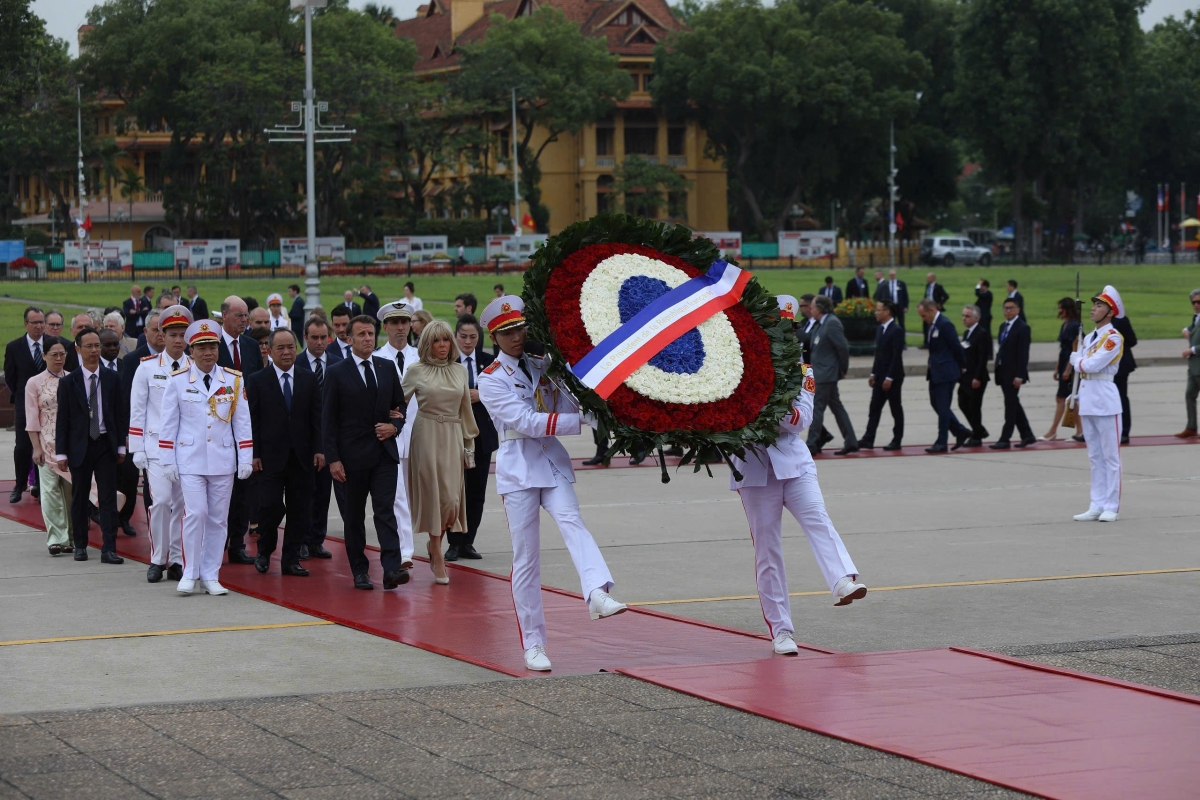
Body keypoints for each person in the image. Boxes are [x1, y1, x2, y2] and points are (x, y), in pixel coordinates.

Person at [477, 295, 627, 672]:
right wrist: (582, 422)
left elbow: (566, 401)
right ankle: (534, 644)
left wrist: (590, 406)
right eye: (506, 332)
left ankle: (596, 592)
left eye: (519, 329)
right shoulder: (491, 378)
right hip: (519, 468)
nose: (515, 337)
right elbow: (525, 422)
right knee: (526, 560)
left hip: (551, 462)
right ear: (495, 337)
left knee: (573, 522)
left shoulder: (543, 364)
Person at [731, 336, 867, 656]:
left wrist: (759, 404)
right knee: (768, 551)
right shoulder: (737, 370)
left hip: (795, 465)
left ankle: (842, 580)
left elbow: (799, 420)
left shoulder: (802, 371)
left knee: (818, 519)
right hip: (753, 471)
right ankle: (781, 630)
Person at [158, 320, 254, 594]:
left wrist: (245, 456)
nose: (208, 352)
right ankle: (190, 571)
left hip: (222, 459)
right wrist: (167, 459)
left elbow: (242, 422)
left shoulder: (234, 379)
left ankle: (211, 574)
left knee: (217, 519)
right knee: (196, 513)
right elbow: (169, 423)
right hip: (190, 459)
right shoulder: (178, 381)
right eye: (201, 347)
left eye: (212, 346)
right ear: (192, 350)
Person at [322, 315, 408, 591]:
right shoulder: (336, 372)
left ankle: (392, 569)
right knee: (355, 516)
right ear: (349, 340)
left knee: (385, 512)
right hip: (351, 459)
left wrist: (394, 426)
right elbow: (328, 420)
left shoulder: (386, 367)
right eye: (361, 334)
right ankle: (360, 570)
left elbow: (400, 408)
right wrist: (333, 459)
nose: (368, 338)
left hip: (383, 455)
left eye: (371, 333)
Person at [401, 320, 478, 585]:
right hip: (426, 435)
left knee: (451, 502)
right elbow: (397, 405)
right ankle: (436, 551)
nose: (442, 345)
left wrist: (470, 445)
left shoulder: (460, 371)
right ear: (427, 344)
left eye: (446, 340)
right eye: (436, 341)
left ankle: (435, 546)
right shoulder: (415, 370)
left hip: (453, 436)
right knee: (434, 496)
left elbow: (465, 410)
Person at [248, 329, 321, 577]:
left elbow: (316, 418)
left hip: (302, 457)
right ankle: (264, 552)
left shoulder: (308, 379)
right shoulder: (258, 380)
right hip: (269, 457)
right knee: (269, 507)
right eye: (280, 348)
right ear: (269, 350)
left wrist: (319, 450)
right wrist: (254, 453)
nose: (287, 352)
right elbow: (253, 420)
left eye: (290, 346)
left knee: (300, 509)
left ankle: (290, 560)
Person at [128, 305, 193, 582]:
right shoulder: (146, 368)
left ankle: (177, 560)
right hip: (156, 448)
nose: (178, 340)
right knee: (162, 501)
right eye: (173, 334)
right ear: (161, 335)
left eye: (182, 335)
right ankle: (157, 558)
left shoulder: (195, 367)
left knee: (181, 506)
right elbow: (137, 410)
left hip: (187, 450)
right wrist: (137, 447)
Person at [55, 327, 127, 564]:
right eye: (90, 346)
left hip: (105, 444)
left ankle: (109, 548)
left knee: (107, 498)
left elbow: (118, 414)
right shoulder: (69, 382)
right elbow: (63, 420)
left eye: (97, 346)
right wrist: (61, 453)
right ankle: (81, 545)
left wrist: (120, 447)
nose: (95, 350)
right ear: (78, 349)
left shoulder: (112, 378)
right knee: (80, 497)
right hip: (80, 446)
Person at [1070, 287, 1125, 523]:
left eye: (1100, 305)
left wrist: (1077, 359)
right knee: (1094, 456)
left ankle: (1111, 505)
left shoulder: (1113, 337)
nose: (1093, 308)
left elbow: (1090, 365)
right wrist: (1079, 359)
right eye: (1094, 305)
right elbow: (1084, 363)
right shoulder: (1090, 337)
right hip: (1088, 398)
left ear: (1110, 311)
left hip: (1105, 399)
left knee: (1110, 457)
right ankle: (1097, 503)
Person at [216, 296, 263, 565]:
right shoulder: (211, 344)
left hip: (246, 428)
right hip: (219, 425)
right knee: (222, 491)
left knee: (244, 490)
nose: (244, 321)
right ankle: (217, 541)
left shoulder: (251, 346)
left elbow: (256, 386)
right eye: (239, 316)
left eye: (246, 316)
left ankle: (237, 543)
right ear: (225, 316)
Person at [374, 301, 420, 570]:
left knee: (419, 496)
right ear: (386, 327)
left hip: (419, 435)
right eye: (395, 322)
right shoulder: (378, 358)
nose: (400, 327)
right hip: (391, 437)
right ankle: (404, 551)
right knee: (397, 496)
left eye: (404, 322)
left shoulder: (421, 357)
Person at [449, 314, 497, 561]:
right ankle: (453, 542)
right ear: (456, 337)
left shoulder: (490, 362)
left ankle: (468, 541)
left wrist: (483, 395)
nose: (468, 342)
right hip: (454, 436)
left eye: (473, 337)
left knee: (477, 492)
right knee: (455, 492)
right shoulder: (447, 362)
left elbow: (502, 395)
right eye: (463, 337)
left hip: (482, 436)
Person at [26, 339, 72, 555]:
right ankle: (56, 538)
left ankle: (72, 537)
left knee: (72, 493)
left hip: (71, 444)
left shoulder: (74, 378)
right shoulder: (34, 383)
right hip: (45, 443)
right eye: (54, 354)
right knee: (49, 492)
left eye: (62, 354)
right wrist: (36, 447)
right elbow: (31, 418)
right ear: (44, 356)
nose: (59, 358)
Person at [5, 307, 52, 503]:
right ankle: (20, 484)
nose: (39, 326)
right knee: (23, 447)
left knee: (47, 446)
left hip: (50, 405)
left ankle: (42, 487)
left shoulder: (53, 344)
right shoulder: (14, 347)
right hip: (25, 406)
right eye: (35, 322)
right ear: (26, 324)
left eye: (42, 322)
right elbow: (10, 376)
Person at [805, 296, 858, 456]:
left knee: (817, 409)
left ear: (819, 309)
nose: (810, 309)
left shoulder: (832, 323)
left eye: (812, 307)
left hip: (826, 374)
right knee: (837, 408)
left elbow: (843, 348)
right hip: (821, 374)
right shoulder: (821, 324)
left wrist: (842, 370)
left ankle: (812, 444)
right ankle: (851, 441)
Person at [917, 299, 971, 453]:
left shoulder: (945, 324)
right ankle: (960, 431)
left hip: (946, 372)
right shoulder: (932, 325)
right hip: (935, 372)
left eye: (924, 315)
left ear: (932, 309)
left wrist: (963, 368)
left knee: (943, 407)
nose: (923, 319)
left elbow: (956, 347)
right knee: (937, 404)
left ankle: (942, 442)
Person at [990, 298, 1035, 449]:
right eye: (1006, 308)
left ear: (1018, 310)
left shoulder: (1022, 328)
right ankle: (1027, 435)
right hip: (1003, 372)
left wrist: (1019, 376)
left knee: (1010, 405)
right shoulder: (1003, 326)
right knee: (1014, 403)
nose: (1008, 311)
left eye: (1011, 308)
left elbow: (1023, 354)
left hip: (1014, 374)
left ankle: (1005, 438)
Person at [859, 300, 904, 451]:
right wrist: (873, 373)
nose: (876, 313)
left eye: (878, 310)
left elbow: (896, 356)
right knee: (874, 408)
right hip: (879, 376)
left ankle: (897, 440)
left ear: (887, 312)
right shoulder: (880, 329)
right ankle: (868, 438)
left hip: (893, 378)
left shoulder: (896, 330)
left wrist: (889, 378)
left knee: (895, 408)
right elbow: (879, 355)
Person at [1042, 297, 1082, 442]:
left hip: (1070, 365)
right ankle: (1079, 431)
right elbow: (1062, 349)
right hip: (1064, 362)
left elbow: (1075, 349)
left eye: (1061, 308)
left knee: (1064, 399)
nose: (1059, 311)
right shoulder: (1065, 325)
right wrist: (1057, 368)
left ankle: (1053, 431)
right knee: (1070, 400)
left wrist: (1067, 369)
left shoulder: (1074, 326)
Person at [957, 304, 991, 447]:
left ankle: (977, 437)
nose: (964, 319)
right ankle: (980, 430)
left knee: (974, 407)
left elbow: (983, 358)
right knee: (962, 402)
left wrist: (977, 377)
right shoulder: (967, 334)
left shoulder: (982, 334)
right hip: (966, 377)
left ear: (976, 318)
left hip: (978, 377)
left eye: (967, 316)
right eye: (963, 316)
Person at [1111, 308, 1137, 444]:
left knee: (1121, 397)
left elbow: (1132, 340)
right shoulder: (1102, 322)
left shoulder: (1120, 320)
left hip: (1121, 365)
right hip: (1107, 366)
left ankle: (1124, 431)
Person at [1180, 288, 1200, 438]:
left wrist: (1192, 350)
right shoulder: (1197, 317)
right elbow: (1193, 327)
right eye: (1194, 302)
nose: (1196, 305)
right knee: (1189, 394)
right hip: (1194, 367)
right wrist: (1186, 329)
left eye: (1199, 302)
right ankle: (1191, 427)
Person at [877, 269, 909, 337]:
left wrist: (906, 306)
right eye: (891, 275)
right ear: (889, 276)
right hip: (890, 307)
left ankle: (903, 342)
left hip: (899, 306)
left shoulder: (901, 284)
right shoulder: (885, 284)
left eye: (893, 275)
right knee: (891, 323)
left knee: (901, 323)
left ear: (896, 275)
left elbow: (905, 295)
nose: (892, 276)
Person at [920, 272, 950, 346]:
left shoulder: (938, 287)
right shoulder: (927, 286)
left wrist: (940, 303)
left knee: (935, 324)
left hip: (934, 308)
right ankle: (926, 342)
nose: (927, 279)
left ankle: (936, 341)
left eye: (928, 278)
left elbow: (946, 296)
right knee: (925, 324)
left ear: (933, 278)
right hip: (927, 308)